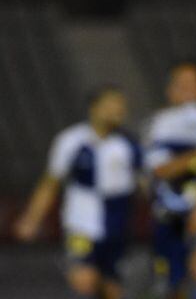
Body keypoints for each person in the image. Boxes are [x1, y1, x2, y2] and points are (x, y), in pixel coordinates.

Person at [13, 86, 141, 299]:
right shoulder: (71, 140)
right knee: (84, 280)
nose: (117, 110)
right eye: (111, 104)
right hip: (81, 221)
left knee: (111, 287)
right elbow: (51, 182)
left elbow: (144, 180)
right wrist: (32, 218)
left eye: (120, 106)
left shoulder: (130, 144)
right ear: (94, 108)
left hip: (117, 221)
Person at [145, 61, 196, 299]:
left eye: (195, 84)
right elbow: (160, 170)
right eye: (183, 85)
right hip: (169, 210)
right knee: (170, 281)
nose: (190, 90)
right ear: (170, 91)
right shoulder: (160, 124)